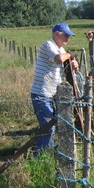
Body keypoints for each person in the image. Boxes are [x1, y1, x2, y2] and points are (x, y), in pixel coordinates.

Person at [30, 23, 79, 156]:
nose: (68, 39)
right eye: (66, 35)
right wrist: (70, 55)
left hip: (52, 94)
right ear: (56, 34)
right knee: (48, 127)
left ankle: (45, 153)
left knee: (50, 126)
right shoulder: (48, 45)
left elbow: (65, 62)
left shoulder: (61, 50)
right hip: (42, 93)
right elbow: (58, 59)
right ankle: (41, 157)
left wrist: (74, 65)